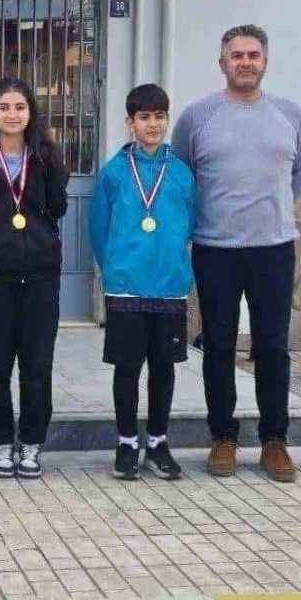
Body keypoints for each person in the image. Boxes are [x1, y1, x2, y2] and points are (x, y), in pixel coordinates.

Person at [172, 24, 301, 484]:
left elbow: (300, 177)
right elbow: (183, 179)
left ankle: (274, 440)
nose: (245, 62)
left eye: (253, 55)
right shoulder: (197, 117)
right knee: (217, 344)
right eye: (237, 55)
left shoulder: (290, 115)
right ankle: (223, 437)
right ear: (222, 63)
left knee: (272, 346)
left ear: (265, 61)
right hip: (215, 250)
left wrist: (273, 214)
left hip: (273, 249)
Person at [0, 78, 70, 480]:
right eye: (4, 107)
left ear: (30, 113)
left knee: (38, 366)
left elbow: (58, 207)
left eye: (20, 107)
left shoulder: (47, 157)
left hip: (40, 277)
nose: (12, 114)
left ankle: (32, 443)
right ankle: (2, 444)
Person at [89, 83, 196, 481]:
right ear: (129, 122)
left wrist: (172, 261)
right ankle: (126, 444)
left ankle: (158, 443)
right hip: (126, 285)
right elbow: (98, 228)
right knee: (127, 368)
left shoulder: (181, 173)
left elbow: (191, 223)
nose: (153, 124)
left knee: (164, 368)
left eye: (159, 116)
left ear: (167, 120)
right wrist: (116, 267)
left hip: (169, 285)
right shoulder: (114, 172)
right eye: (144, 117)